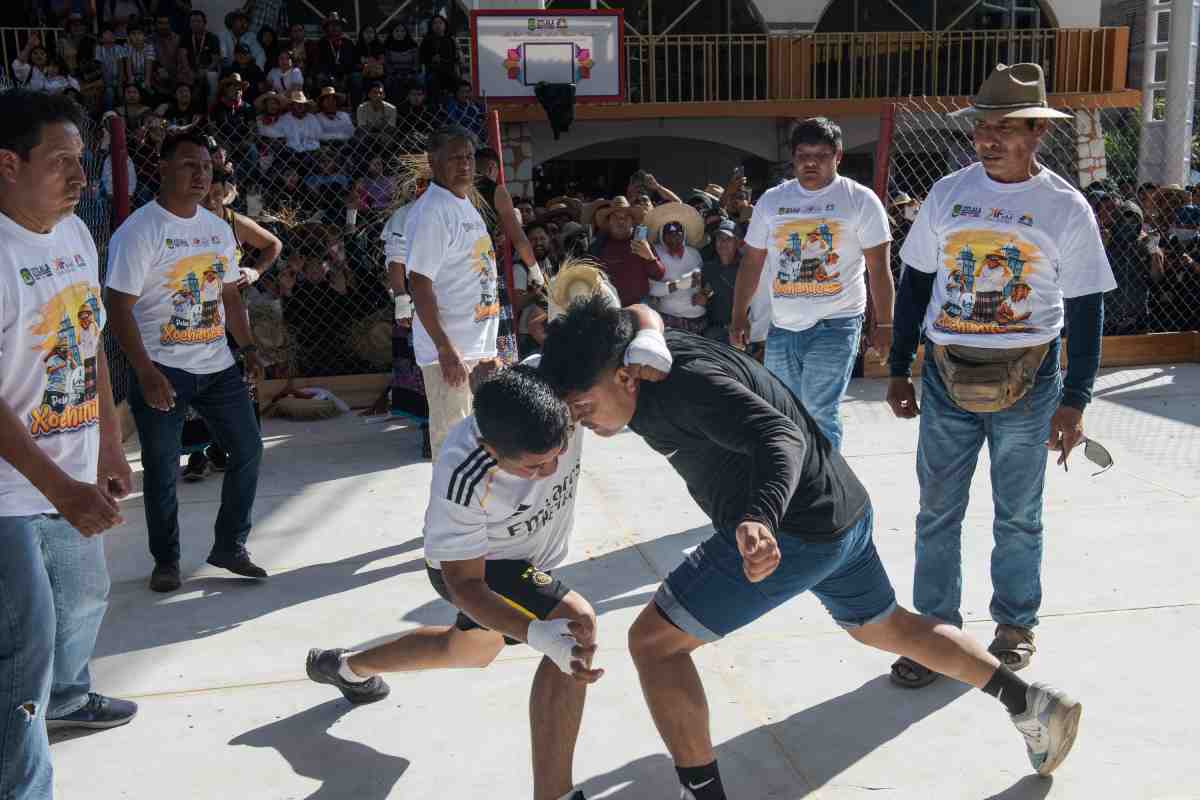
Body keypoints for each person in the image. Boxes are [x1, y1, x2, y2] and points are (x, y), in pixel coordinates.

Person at [540, 296, 1085, 799]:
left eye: (584, 407)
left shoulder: (680, 387)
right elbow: (634, 308)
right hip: (840, 509)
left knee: (654, 643)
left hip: (789, 530)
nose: (583, 421)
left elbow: (781, 437)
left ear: (624, 377)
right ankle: (1030, 703)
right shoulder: (639, 347)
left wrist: (760, 517)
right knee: (889, 627)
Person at [306, 308, 670, 800]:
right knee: (574, 625)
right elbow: (463, 584)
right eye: (533, 468)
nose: (550, 472)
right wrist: (537, 632)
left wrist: (651, 336)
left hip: (528, 562)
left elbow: (624, 314)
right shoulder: (464, 470)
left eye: (558, 454)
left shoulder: (558, 381)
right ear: (492, 449)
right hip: (476, 569)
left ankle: (348, 666)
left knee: (465, 652)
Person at [885, 63, 1116, 687]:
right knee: (937, 511)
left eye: (1006, 128)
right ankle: (934, 637)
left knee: (1018, 513)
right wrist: (899, 367)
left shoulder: (1064, 207)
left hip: (1030, 383)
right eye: (982, 127)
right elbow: (916, 284)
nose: (988, 139)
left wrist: (1076, 399)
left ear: (1038, 132)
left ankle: (1014, 625)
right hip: (944, 377)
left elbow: (1087, 308)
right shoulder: (947, 194)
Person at [0, 89, 138, 800]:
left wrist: (108, 445)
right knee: (21, 653)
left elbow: (89, 344)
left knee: (85, 598)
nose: (81, 176)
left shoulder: (76, 235)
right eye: (60, 161)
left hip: (71, 473)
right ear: (8, 164)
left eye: (81, 160)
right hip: (10, 494)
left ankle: (67, 699)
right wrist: (60, 487)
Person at [104, 130, 267, 594]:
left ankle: (230, 546)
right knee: (161, 470)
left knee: (249, 450)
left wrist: (248, 348)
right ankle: (167, 561)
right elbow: (118, 307)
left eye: (207, 167)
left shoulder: (217, 228)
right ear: (163, 169)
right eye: (189, 165)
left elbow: (229, 295)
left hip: (217, 365)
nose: (201, 175)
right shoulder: (140, 231)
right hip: (162, 369)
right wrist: (145, 372)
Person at [731, 117, 894, 452]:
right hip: (783, 326)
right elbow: (752, 262)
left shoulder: (860, 200)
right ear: (793, 157)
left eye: (821, 155)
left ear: (838, 156)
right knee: (784, 412)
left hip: (837, 323)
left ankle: (828, 482)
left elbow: (879, 268)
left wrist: (885, 324)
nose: (810, 163)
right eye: (803, 155)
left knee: (819, 412)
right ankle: (799, 477)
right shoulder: (772, 201)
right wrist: (738, 315)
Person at [404, 125, 502, 457]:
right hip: (451, 355)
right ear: (433, 162)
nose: (464, 164)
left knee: (482, 454)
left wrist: (488, 348)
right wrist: (446, 349)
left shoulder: (463, 204)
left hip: (476, 351)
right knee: (456, 454)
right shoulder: (433, 212)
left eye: (469, 157)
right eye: (454, 158)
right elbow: (419, 284)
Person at [182, 166, 281, 479]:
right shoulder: (184, 222)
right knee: (196, 385)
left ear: (227, 192)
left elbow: (273, 244)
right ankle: (196, 453)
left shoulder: (233, 221)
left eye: (218, 192)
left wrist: (255, 271)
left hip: (233, 313)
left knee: (239, 381)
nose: (211, 199)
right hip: (195, 316)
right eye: (207, 192)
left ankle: (224, 448)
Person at [588, 195, 666, 307]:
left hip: (639, 308)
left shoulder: (642, 243)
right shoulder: (597, 246)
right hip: (608, 308)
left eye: (626, 217)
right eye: (616, 216)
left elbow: (659, 275)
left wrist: (649, 257)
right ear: (609, 221)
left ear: (633, 222)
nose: (621, 220)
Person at [646, 202, 706, 334]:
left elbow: (706, 283)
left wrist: (705, 295)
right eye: (669, 233)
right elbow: (651, 288)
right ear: (661, 234)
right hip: (669, 318)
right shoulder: (654, 253)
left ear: (683, 234)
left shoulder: (694, 254)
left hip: (697, 318)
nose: (674, 237)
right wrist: (678, 285)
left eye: (678, 232)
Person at [420, 13, 460, 102]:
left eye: (440, 23)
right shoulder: (426, 40)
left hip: (449, 71)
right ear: (431, 26)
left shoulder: (451, 40)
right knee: (433, 82)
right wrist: (431, 59)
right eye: (435, 23)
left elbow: (455, 58)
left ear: (445, 25)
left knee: (456, 83)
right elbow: (422, 58)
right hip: (432, 71)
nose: (438, 25)